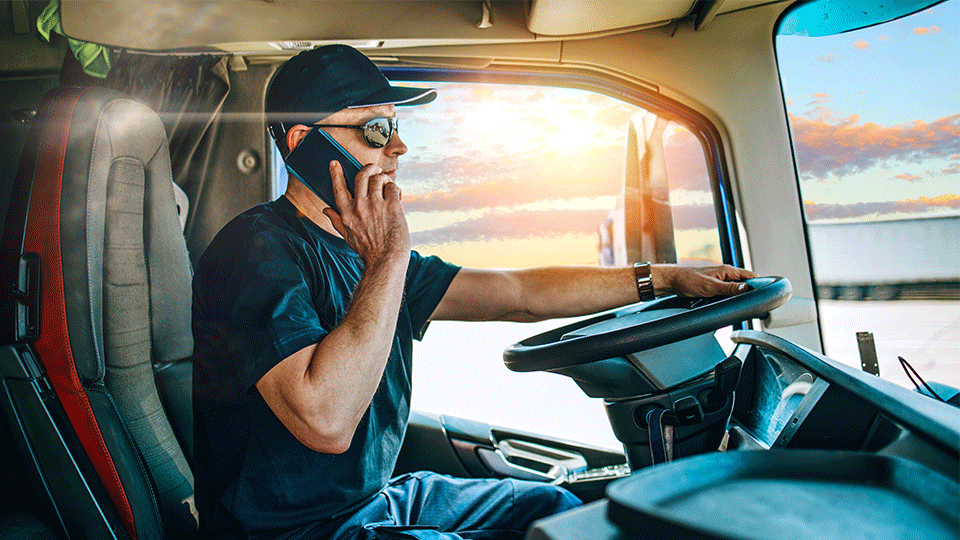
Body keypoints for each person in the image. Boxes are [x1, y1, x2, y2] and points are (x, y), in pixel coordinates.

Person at [192, 44, 757, 540]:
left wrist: (660, 278)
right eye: (376, 130)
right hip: (290, 531)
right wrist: (388, 256)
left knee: (556, 514)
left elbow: (518, 293)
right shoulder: (254, 251)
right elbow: (326, 421)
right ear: (303, 143)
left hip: (369, 505)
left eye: (396, 127)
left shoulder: (368, 255)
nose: (399, 149)